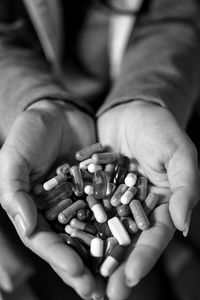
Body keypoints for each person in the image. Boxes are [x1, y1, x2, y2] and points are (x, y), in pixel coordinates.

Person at [0, 0, 199, 299]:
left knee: (140, 269)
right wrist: (33, 101)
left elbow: (174, 21)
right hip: (38, 131)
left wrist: (146, 95)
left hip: (136, 108)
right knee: (61, 271)